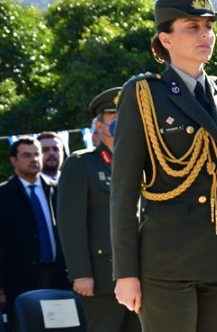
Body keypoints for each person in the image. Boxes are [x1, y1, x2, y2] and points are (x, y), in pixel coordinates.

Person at [110, 0, 217, 332]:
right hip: (168, 262)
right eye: (192, 26)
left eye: (208, 26)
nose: (205, 34)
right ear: (166, 38)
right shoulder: (145, 95)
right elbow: (123, 193)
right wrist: (126, 272)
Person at [57, 87, 142, 332]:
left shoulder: (145, 163)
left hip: (143, 274)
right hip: (102, 276)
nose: (124, 122)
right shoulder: (81, 163)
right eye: (115, 117)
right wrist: (80, 273)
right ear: (99, 125)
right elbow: (71, 224)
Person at [0, 137, 70, 317]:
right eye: (26, 155)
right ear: (13, 160)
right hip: (20, 282)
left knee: (66, 326)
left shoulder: (59, 189)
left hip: (60, 277)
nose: (34, 159)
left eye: (37, 154)